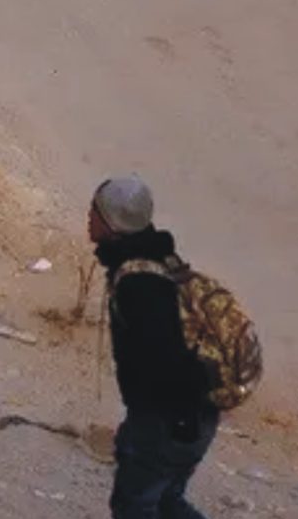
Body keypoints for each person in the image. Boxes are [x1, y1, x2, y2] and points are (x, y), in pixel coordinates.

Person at [92, 176, 224, 519]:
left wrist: (176, 422)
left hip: (169, 421)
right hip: (195, 416)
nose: (88, 219)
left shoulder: (138, 284)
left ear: (110, 222)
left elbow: (165, 357)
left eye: (94, 212)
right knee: (167, 501)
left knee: (135, 506)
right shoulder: (162, 263)